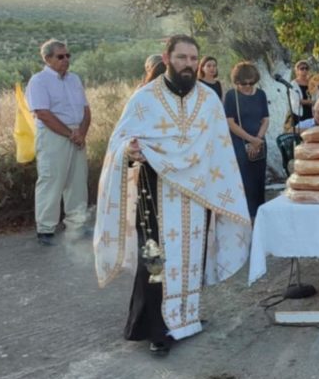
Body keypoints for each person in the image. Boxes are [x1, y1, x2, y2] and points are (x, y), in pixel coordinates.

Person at [93, 34, 251, 356]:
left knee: (192, 258)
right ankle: (155, 328)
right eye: (181, 58)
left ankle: (186, 319)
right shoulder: (144, 99)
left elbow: (219, 148)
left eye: (193, 59)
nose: (188, 64)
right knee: (155, 261)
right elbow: (119, 142)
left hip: (196, 195)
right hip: (155, 193)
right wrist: (129, 151)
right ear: (166, 59)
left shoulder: (209, 100)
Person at [26, 39, 91, 247]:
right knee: (51, 179)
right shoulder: (39, 81)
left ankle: (76, 225)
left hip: (77, 133)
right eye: (60, 56)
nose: (66, 60)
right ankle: (46, 228)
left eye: (67, 55)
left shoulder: (74, 79)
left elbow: (86, 109)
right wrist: (70, 134)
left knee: (77, 181)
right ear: (47, 59)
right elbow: (43, 113)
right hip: (54, 135)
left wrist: (81, 133)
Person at [224, 62, 270, 219]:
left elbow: (265, 119)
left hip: (259, 142)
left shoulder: (261, 94)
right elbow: (230, 123)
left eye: (251, 83)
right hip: (240, 144)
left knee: (259, 182)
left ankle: (260, 217)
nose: (248, 86)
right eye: (244, 83)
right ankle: (245, 218)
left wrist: (258, 139)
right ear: (237, 81)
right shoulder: (231, 96)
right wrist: (251, 140)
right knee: (244, 183)